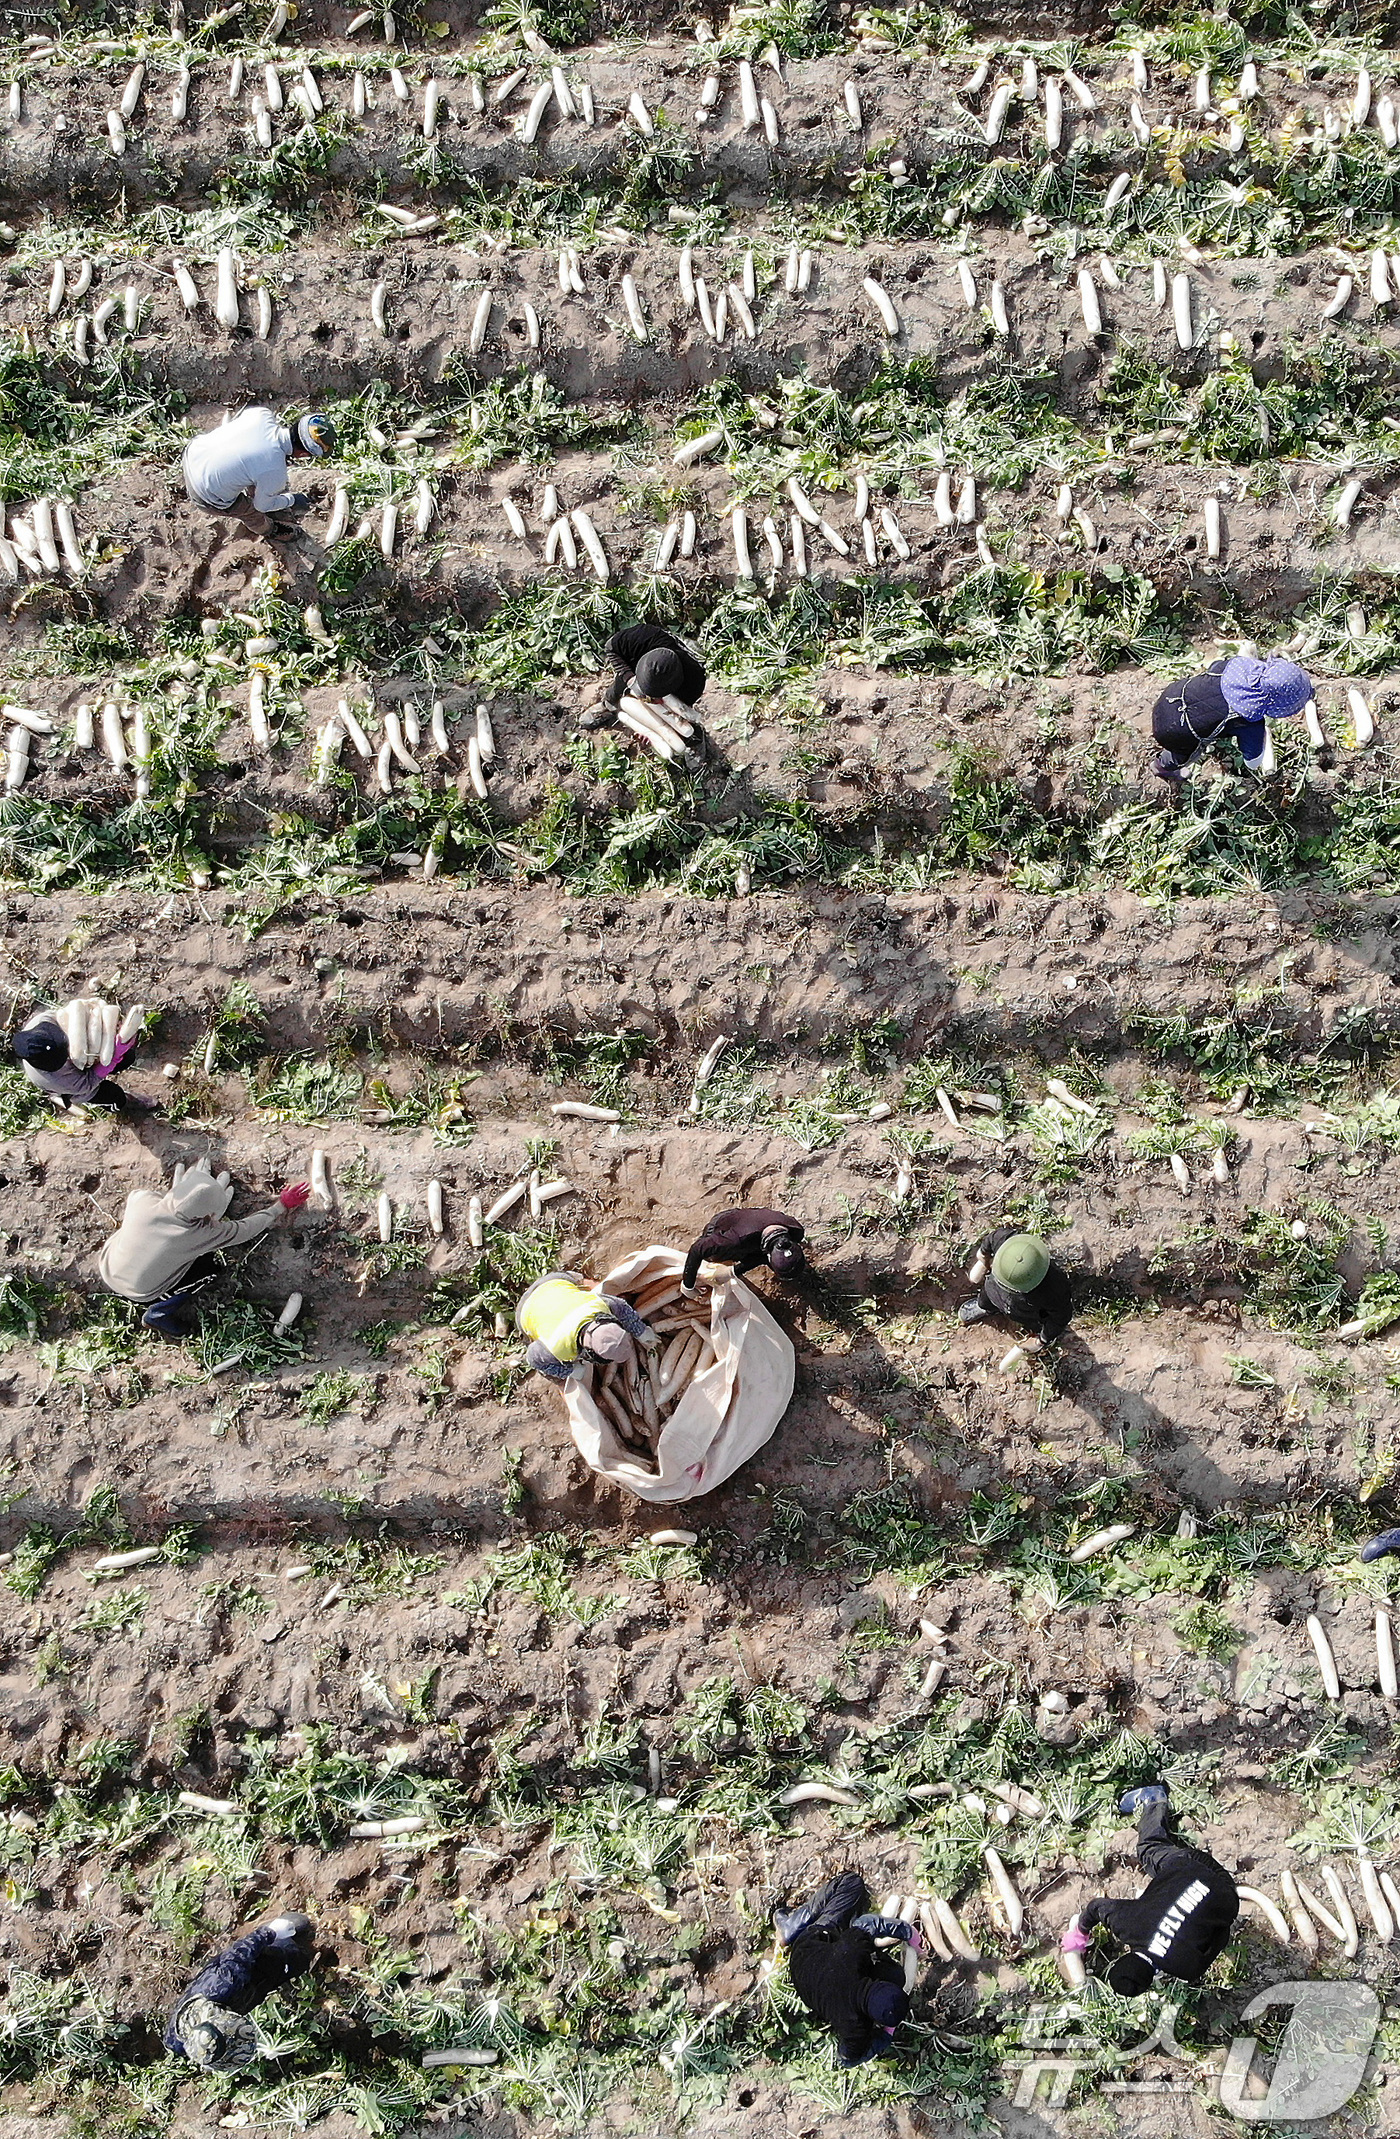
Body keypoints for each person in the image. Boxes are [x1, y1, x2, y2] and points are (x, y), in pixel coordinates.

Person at [98, 1157, 311, 1337]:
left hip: (107, 1265)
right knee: (210, 1268)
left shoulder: (142, 1200)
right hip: (139, 1291)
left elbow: (164, 1202)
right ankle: (159, 1312)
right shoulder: (198, 1235)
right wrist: (281, 1205)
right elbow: (245, 1229)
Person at [1063, 1785, 1239, 1996]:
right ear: (1124, 1956)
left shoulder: (1187, 1969)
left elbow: (1221, 1937)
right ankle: (1153, 1803)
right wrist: (1080, 1932)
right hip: (1191, 1867)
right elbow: (1095, 1907)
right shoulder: (1127, 1924)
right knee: (1151, 1856)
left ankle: (1155, 1799)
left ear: (1151, 1982)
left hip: (1227, 1893)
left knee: (1149, 1852)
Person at [776, 1871, 918, 2068]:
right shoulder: (855, 2028)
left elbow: (867, 1924)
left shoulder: (851, 1955)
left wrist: (908, 1933)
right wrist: (886, 2035)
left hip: (808, 1954)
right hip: (808, 1985)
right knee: (896, 1975)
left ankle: (793, 1924)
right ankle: (791, 1929)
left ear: (878, 1983)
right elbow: (845, 2060)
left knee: (850, 1883)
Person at [165, 1912, 316, 2073]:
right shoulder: (177, 2041)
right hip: (247, 1994)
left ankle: (283, 1940)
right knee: (269, 1983)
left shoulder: (223, 1983)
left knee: (296, 1958)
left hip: (252, 1968)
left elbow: (238, 1954)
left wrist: (270, 1932)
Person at [1151, 653, 1312, 784]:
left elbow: (1214, 665)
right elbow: (1252, 762)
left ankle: (1219, 728)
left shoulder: (1230, 666)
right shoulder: (1250, 723)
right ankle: (1162, 767)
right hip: (1172, 730)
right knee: (1183, 755)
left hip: (1171, 695)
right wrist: (1262, 738)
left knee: (1217, 717)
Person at [182, 407, 336, 539]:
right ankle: (271, 531)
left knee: (253, 472)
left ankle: (258, 490)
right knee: (251, 511)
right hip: (204, 494)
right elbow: (261, 506)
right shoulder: (275, 472)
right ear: (303, 454)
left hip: (193, 453)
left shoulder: (262, 414)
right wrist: (291, 500)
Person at [516, 1268, 658, 1384]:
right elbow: (533, 1358)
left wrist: (641, 1331)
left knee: (588, 1285)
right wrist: (570, 1371)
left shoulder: (598, 1306)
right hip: (525, 1309)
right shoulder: (557, 1348)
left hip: (554, 1282)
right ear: (589, 1352)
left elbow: (622, 1307)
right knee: (554, 1374)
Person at [11, 1012, 152, 1116]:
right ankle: (125, 1106)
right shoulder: (57, 1080)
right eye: (63, 1054)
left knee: (128, 1057)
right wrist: (113, 1057)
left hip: (90, 1054)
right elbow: (88, 1083)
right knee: (114, 1096)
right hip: (81, 1088)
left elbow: (74, 1012)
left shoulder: (42, 1021)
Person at [958, 1227, 1072, 1343]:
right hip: (992, 1290)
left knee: (1032, 1320)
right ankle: (985, 1308)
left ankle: (1036, 1329)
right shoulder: (1003, 1239)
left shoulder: (1055, 1289)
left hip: (1026, 1311)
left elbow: (1060, 1318)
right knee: (985, 1300)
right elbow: (987, 1245)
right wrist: (984, 1262)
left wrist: (1043, 1338)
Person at [585, 623, 707, 727]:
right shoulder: (642, 637)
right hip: (638, 662)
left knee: (680, 716)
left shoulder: (694, 684)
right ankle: (608, 705)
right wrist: (631, 679)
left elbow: (681, 708)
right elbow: (610, 649)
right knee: (620, 684)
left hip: (676, 689)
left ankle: (694, 741)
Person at [681, 1207, 806, 1295]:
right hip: (723, 1224)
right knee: (715, 1256)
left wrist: (732, 1271)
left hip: (752, 1221)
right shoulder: (732, 1240)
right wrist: (688, 1285)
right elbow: (697, 1249)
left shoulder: (796, 1229)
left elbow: (761, 1257)